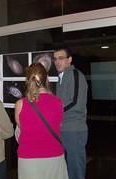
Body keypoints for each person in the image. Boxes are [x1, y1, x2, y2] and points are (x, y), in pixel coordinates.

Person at [15, 63, 68, 179]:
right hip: (54, 157)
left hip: (29, 159)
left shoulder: (21, 104)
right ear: (47, 79)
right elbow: (59, 125)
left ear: (27, 81)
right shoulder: (58, 102)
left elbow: (21, 127)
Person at [53, 47, 88, 179]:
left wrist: (54, 114)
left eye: (61, 58)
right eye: (55, 59)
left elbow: (74, 101)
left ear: (70, 59)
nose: (57, 62)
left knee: (76, 170)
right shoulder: (61, 78)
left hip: (74, 130)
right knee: (66, 170)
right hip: (64, 129)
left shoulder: (74, 74)